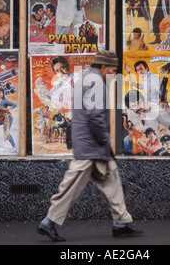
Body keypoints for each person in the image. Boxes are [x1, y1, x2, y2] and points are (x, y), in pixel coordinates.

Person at [37, 51, 143, 242]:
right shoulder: (94, 82)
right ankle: (49, 221)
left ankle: (121, 222)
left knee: (111, 179)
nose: (113, 73)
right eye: (112, 69)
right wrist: (105, 140)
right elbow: (95, 116)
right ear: (102, 66)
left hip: (91, 145)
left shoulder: (88, 79)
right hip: (90, 146)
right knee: (71, 185)